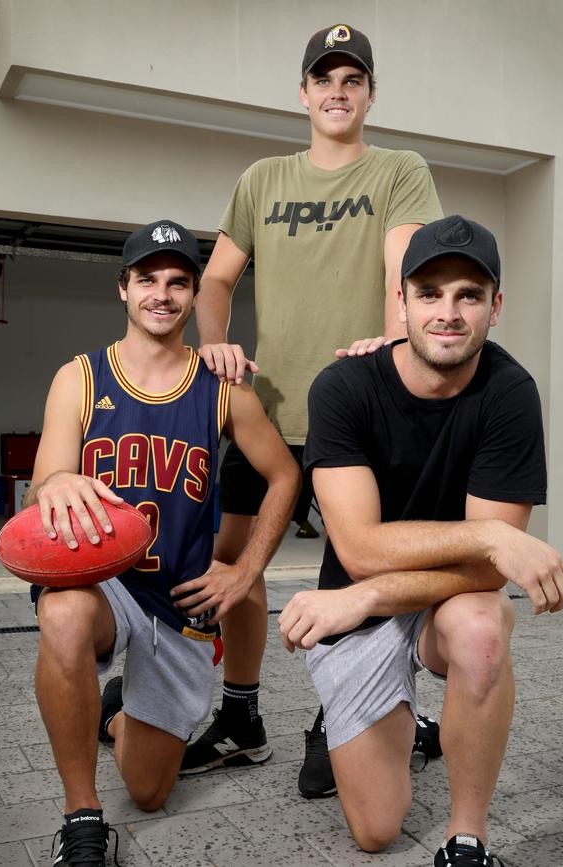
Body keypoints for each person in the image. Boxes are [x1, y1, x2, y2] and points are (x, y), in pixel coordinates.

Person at [182, 23, 443, 794]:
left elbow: (407, 266)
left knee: (355, 572)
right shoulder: (263, 179)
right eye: (323, 79)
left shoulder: (400, 169)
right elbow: (216, 280)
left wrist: (392, 343)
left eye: (352, 80)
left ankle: (349, 715)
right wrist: (216, 348)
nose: (337, 90)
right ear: (303, 93)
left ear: (368, 94)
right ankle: (241, 715)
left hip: (357, 411)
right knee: (231, 564)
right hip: (266, 413)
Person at [278, 215, 563, 864]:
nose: (448, 310)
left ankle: (465, 838)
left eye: (469, 294)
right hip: (352, 609)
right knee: (377, 829)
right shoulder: (344, 388)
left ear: (495, 307)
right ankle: (394, 720)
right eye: (430, 292)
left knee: (483, 625)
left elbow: (485, 576)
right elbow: (358, 548)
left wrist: (375, 591)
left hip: (435, 604)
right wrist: (491, 536)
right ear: (402, 302)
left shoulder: (511, 394)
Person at [24, 220, 300, 867]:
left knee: (149, 791)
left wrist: (244, 571)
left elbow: (285, 473)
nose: (162, 293)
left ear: (192, 293)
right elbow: (45, 484)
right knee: (61, 613)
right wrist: (58, 481)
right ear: (124, 287)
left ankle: (113, 712)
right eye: (148, 278)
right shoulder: (81, 378)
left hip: (179, 598)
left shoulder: (221, 386)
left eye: (178, 282)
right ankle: (82, 816)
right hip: (106, 585)